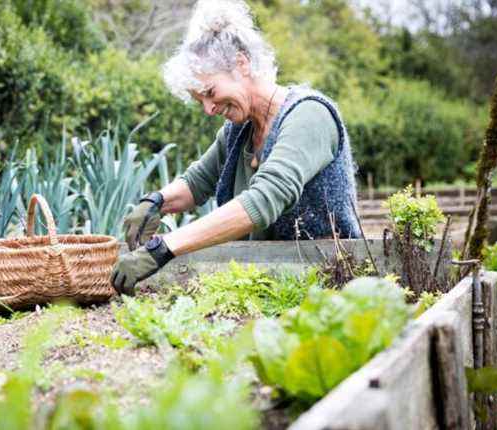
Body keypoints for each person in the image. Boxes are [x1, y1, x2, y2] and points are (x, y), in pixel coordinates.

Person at [111, 0, 361, 295]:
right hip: (270, 282)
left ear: (241, 65)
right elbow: (197, 182)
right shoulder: (239, 130)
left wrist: (163, 248)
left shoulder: (309, 115)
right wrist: (154, 202)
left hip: (330, 284)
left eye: (210, 92)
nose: (208, 109)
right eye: (199, 100)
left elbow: (264, 199)